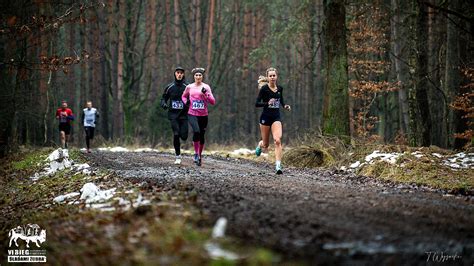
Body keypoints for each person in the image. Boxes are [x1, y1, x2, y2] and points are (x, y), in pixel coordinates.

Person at [255, 67, 291, 174]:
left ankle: (278, 166)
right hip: (265, 118)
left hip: (276, 117)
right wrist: (267, 103)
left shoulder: (280, 88)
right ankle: (260, 144)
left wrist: (285, 106)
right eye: (270, 76)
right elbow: (257, 104)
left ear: (276, 76)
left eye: (274, 75)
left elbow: (281, 100)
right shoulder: (264, 89)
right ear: (267, 77)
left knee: (277, 140)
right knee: (266, 145)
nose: (272, 77)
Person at [181, 67, 216, 166]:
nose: (198, 77)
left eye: (200, 75)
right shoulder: (189, 87)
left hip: (203, 115)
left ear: (202, 76)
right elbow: (183, 96)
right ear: (194, 76)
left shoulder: (206, 87)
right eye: (196, 75)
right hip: (192, 113)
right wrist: (186, 102)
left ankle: (200, 155)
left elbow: (213, 102)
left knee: (202, 135)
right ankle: (196, 154)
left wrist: (206, 94)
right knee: (196, 131)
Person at [160, 66, 189, 164]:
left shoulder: (187, 87)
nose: (179, 74)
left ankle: (182, 137)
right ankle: (177, 156)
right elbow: (163, 98)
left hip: (184, 115)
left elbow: (194, 98)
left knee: (184, 136)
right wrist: (164, 104)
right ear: (175, 74)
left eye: (181, 73)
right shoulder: (170, 87)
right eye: (178, 73)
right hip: (173, 115)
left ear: (183, 74)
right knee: (176, 134)